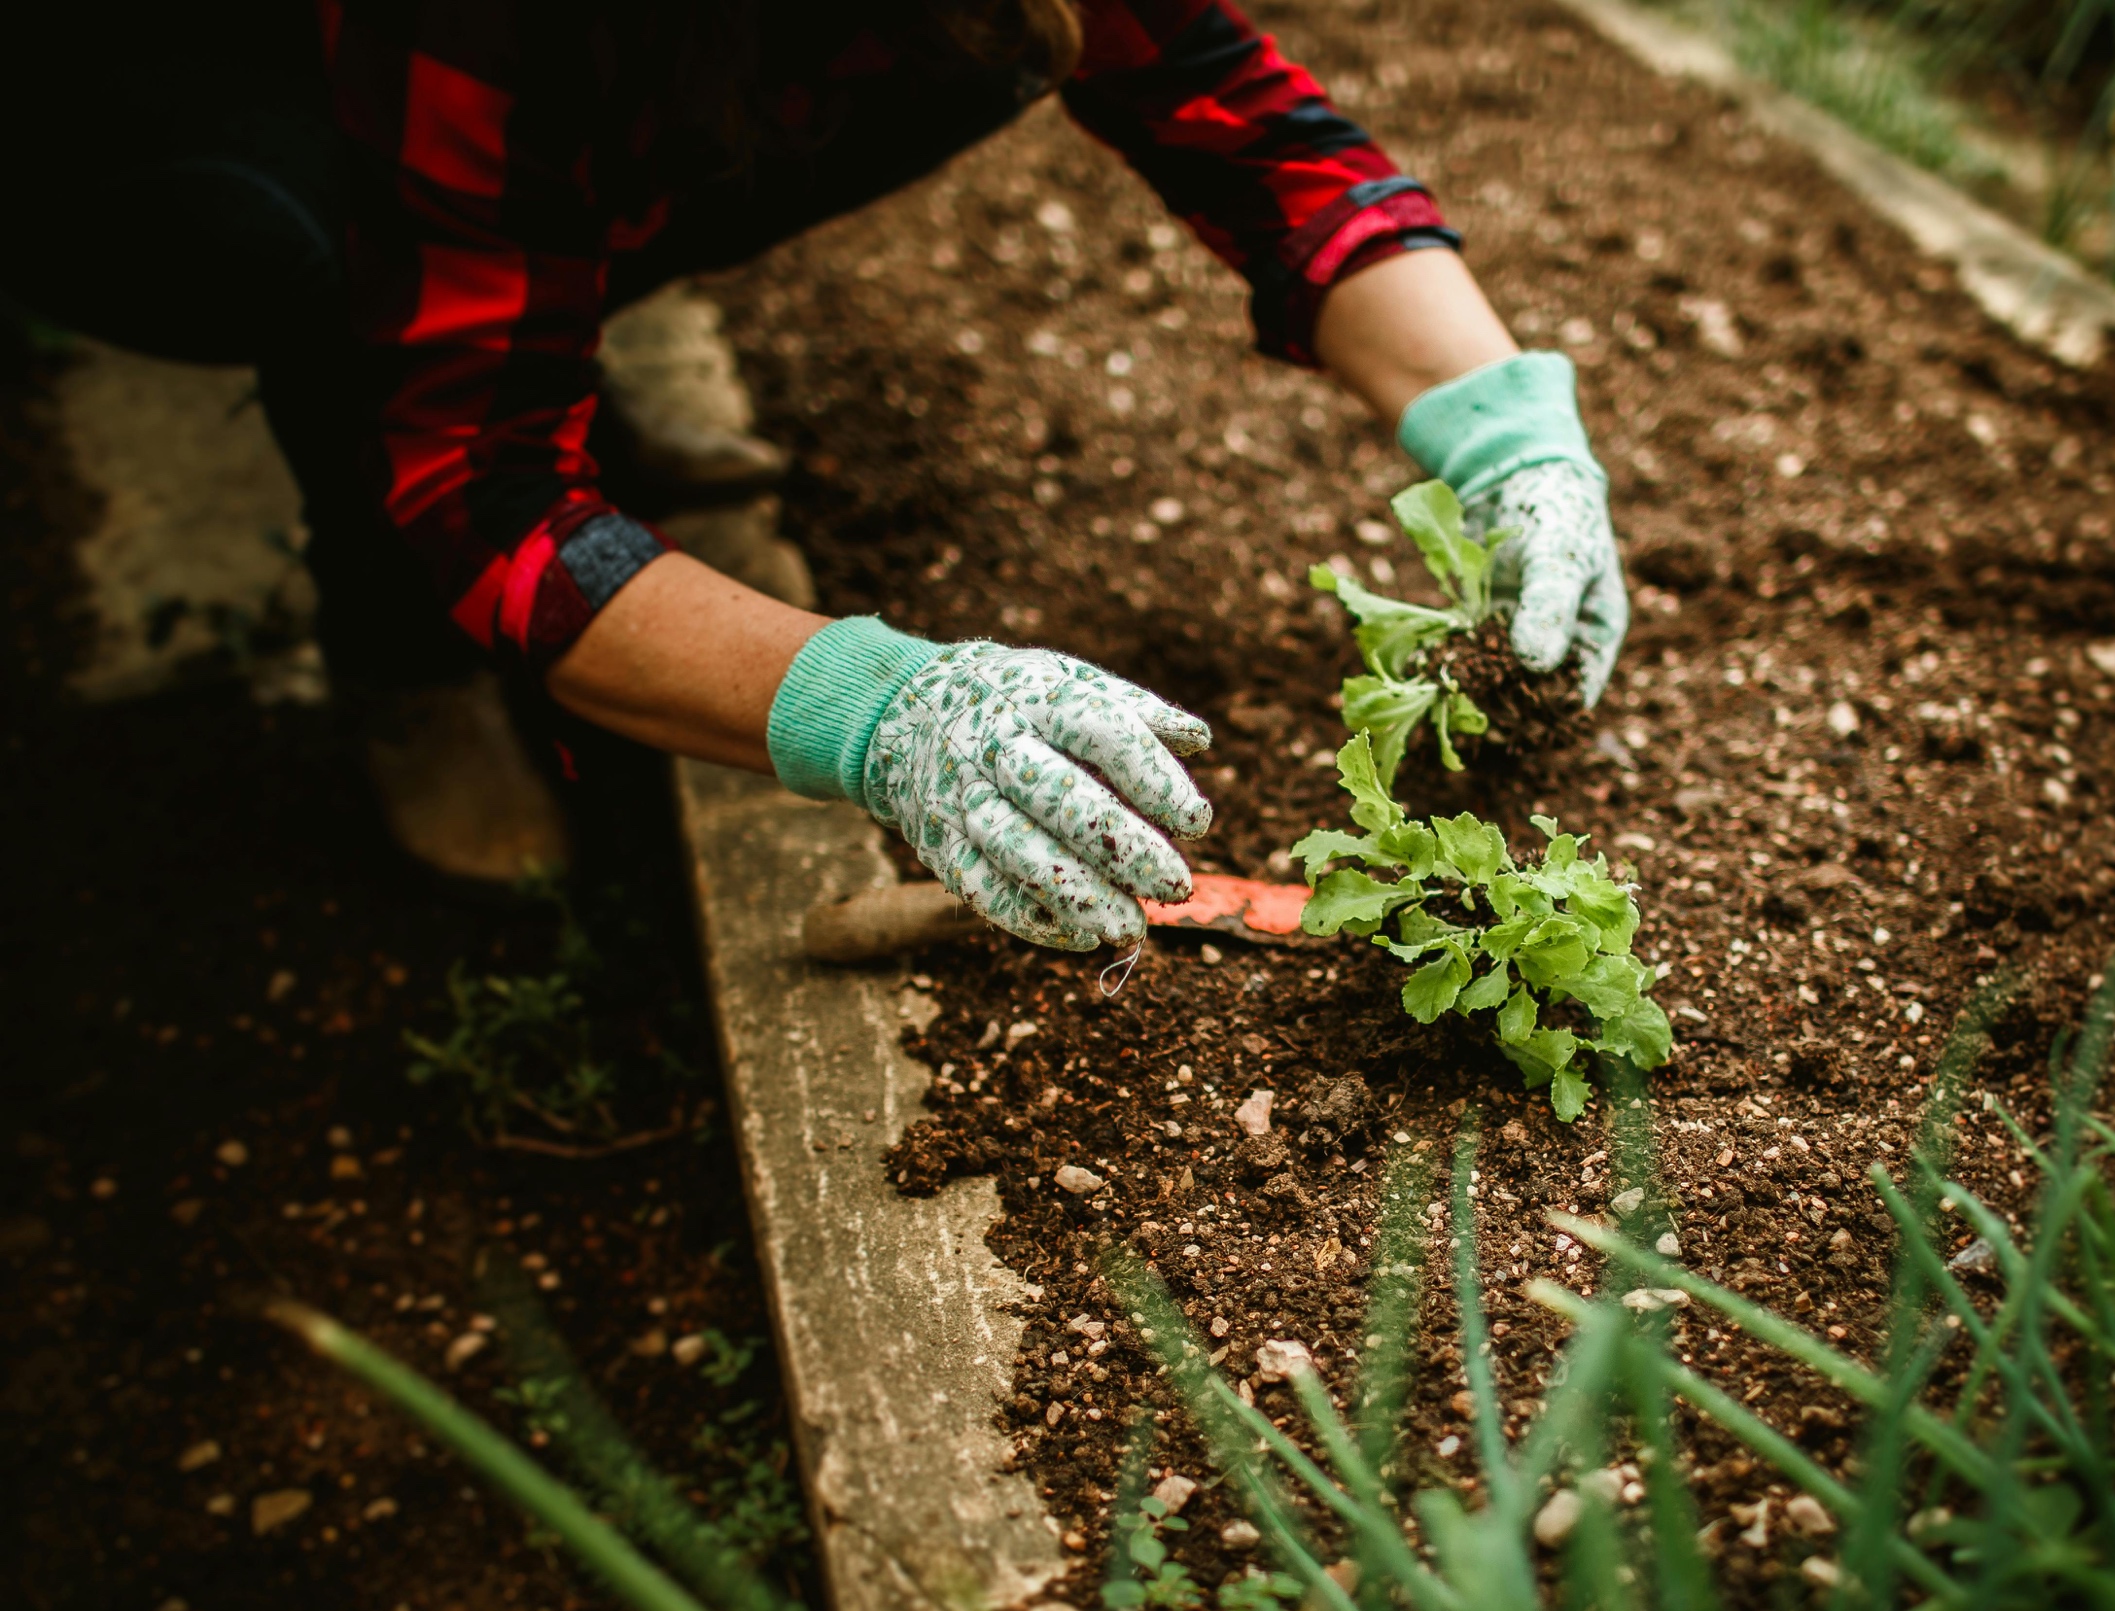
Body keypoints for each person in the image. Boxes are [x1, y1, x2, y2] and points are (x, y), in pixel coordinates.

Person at [3, 0, 1627, 946]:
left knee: (980, 48)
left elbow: (1255, 139)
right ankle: (400, 658)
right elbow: (480, 497)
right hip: (162, 93)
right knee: (294, 255)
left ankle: (546, 327)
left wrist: (1508, 430)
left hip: (620, 79)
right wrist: (873, 702)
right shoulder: (493, 33)